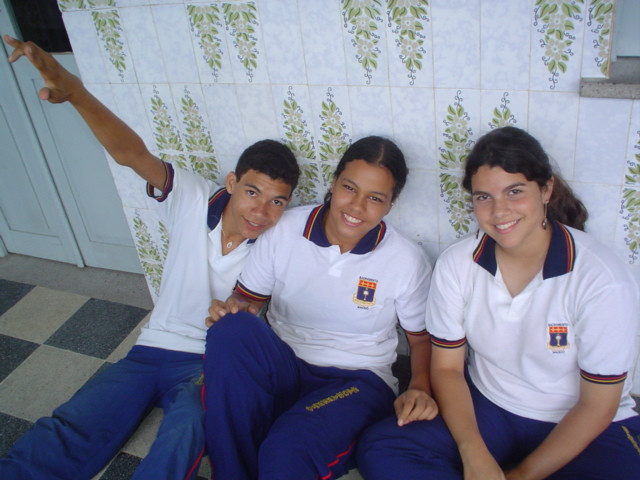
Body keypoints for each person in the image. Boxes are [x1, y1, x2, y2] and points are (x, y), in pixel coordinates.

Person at [0, 35, 299, 480]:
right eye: (253, 192)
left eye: (277, 201)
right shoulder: (194, 196)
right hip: (149, 349)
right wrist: (77, 93)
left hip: (209, 363)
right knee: (71, 425)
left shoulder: (279, 242)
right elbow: (131, 154)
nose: (261, 211)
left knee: (187, 430)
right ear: (231, 183)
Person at [356, 126, 640, 480]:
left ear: (546, 190)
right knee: (384, 448)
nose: (499, 211)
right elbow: (447, 370)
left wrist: (519, 475)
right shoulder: (458, 264)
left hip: (586, 425)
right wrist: (473, 452)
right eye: (483, 197)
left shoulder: (602, 279)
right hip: (489, 408)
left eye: (515, 192)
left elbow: (597, 405)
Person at [203, 136, 439, 480]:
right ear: (334, 182)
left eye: (375, 198)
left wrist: (419, 387)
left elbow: (421, 340)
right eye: (349, 188)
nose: (356, 207)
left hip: (355, 380)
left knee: (285, 450)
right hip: (285, 363)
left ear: (391, 204)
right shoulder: (285, 229)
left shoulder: (406, 259)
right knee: (229, 329)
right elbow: (248, 298)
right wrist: (233, 309)